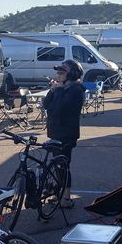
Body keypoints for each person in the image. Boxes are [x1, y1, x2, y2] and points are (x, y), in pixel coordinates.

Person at [42, 59, 86, 208]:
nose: (58, 75)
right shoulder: (61, 89)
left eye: (62, 72)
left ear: (71, 74)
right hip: (56, 132)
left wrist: (59, 90)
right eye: (58, 72)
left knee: (63, 164)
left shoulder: (75, 90)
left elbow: (59, 108)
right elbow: (46, 105)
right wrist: (52, 91)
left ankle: (66, 197)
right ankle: (58, 193)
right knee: (56, 164)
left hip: (67, 134)